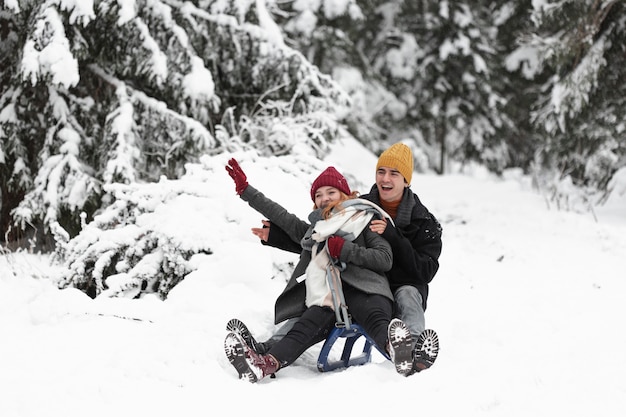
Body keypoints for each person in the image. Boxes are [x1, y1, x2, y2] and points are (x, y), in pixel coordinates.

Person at [229, 142, 443, 375]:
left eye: (394, 173)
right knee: (311, 317)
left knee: (405, 295)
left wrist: (386, 236)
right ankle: (265, 357)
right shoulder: (346, 213)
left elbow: (409, 266)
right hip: (338, 290)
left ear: (406, 180)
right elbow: (307, 235)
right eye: (381, 172)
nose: (386, 179)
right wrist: (251, 198)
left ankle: (410, 349)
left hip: (384, 286)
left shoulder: (380, 216)